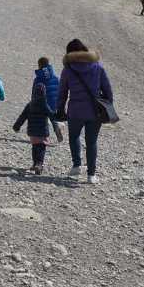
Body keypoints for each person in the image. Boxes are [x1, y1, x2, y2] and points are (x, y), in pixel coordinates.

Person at [56, 39, 113, 185]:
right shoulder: (97, 67)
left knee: (74, 137)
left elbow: (62, 92)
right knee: (91, 141)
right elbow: (107, 90)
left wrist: (60, 109)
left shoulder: (68, 70)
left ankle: (76, 166)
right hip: (95, 111)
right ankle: (91, 175)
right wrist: (107, 106)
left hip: (75, 110)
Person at [13, 83, 59, 174]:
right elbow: (52, 117)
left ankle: (35, 164)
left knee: (34, 147)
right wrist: (56, 127)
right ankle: (39, 163)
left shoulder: (30, 105)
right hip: (42, 131)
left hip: (32, 131)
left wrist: (17, 126)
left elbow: (22, 116)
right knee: (41, 147)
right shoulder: (45, 105)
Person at [33, 56, 65, 140]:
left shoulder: (38, 79)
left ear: (39, 66)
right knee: (52, 117)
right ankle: (57, 127)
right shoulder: (55, 77)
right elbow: (59, 90)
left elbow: (35, 92)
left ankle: (44, 136)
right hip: (54, 102)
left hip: (42, 102)